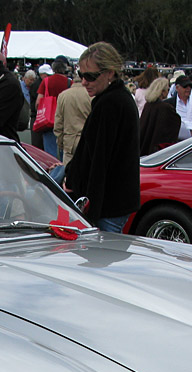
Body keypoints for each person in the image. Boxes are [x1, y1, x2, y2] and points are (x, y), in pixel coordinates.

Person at [63, 42, 139, 232]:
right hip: (114, 201)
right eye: (81, 75)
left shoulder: (110, 104)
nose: (84, 81)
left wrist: (89, 211)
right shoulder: (117, 99)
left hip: (107, 204)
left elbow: (99, 159)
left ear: (110, 73)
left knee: (102, 258)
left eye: (90, 76)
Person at [54, 71, 92, 165]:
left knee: (69, 173)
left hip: (69, 140)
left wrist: (60, 141)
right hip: (88, 139)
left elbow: (58, 122)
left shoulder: (63, 95)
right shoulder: (91, 95)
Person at [139, 77, 181, 156]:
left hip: (144, 149)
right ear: (162, 91)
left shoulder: (148, 105)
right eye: (167, 90)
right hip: (158, 153)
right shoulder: (165, 108)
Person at [168, 74, 192, 140]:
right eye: (185, 86)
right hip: (176, 141)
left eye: (190, 86)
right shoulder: (169, 104)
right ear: (177, 88)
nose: (188, 89)